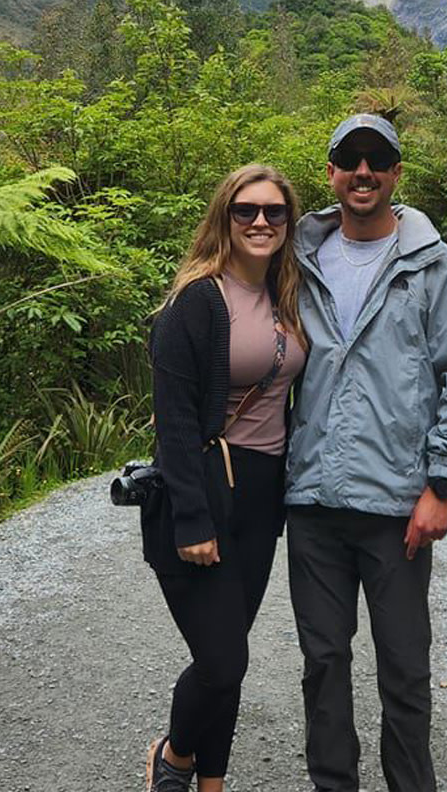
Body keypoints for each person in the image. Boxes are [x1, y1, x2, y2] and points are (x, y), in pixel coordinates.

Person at [285, 113, 447, 792]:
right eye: (351, 160)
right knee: (323, 662)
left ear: (397, 173)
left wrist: (442, 485)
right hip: (313, 502)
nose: (364, 172)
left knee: (404, 667)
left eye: (378, 159)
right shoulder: (297, 260)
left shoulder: (437, 266)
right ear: (332, 173)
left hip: (397, 504)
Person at [142, 164, 307, 792]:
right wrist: (192, 517)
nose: (260, 222)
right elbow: (176, 423)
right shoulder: (196, 301)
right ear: (225, 217)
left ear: (290, 224)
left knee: (229, 655)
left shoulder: (288, 294)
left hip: (264, 499)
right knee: (222, 659)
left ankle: (212, 781)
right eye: (246, 210)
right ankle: (176, 757)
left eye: (274, 212)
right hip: (206, 490)